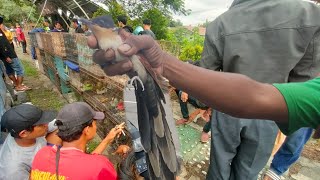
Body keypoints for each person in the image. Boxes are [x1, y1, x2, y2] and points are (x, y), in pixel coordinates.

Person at [87, 1, 320, 177]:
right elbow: (305, 84)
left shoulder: (222, 22)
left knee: (219, 166)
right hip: (274, 112)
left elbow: (206, 70)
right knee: (248, 171)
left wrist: (177, 79)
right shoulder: (310, 15)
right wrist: (286, 123)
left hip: (227, 105)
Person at [31, 102, 124, 179]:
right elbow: (90, 166)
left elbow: (82, 163)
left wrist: (107, 139)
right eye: (95, 124)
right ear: (87, 130)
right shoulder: (100, 165)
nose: (96, 126)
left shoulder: (42, 154)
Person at [0, 104, 60, 180]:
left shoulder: (21, 133)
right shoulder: (14, 169)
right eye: (41, 124)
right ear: (24, 133)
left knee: (60, 130)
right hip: (33, 173)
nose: (47, 124)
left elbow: (59, 123)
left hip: (43, 157)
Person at [0, 17, 31, 91]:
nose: (2, 25)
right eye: (1, 24)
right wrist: (6, 56)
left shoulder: (1, 32)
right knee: (20, 70)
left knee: (10, 71)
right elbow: (1, 45)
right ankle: (19, 86)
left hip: (5, 55)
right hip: (9, 55)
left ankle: (16, 84)